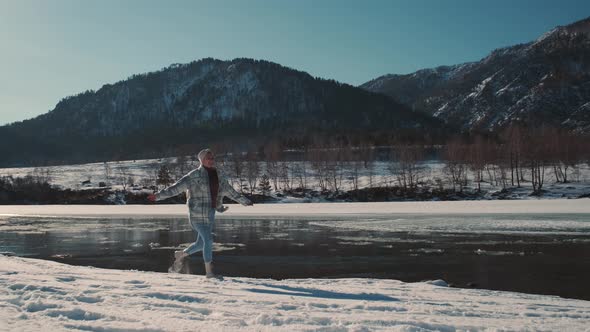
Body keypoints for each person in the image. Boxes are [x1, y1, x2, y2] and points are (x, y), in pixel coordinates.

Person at [148, 148, 253, 278]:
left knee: (201, 244)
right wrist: (158, 196)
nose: (211, 160)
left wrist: (245, 201)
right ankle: (209, 272)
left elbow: (230, 192)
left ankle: (181, 254)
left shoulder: (218, 176)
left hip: (210, 215)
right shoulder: (193, 176)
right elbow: (175, 188)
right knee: (208, 240)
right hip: (196, 216)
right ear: (202, 160)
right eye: (208, 158)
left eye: (212, 158)